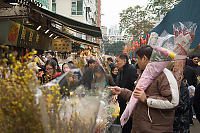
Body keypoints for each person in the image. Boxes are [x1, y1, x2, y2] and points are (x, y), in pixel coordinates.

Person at [110, 45, 179, 133]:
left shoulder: (165, 75)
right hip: (140, 127)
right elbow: (138, 96)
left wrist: (147, 99)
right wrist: (122, 91)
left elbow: (173, 102)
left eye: (138, 59)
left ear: (144, 59)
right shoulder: (144, 75)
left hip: (155, 129)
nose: (137, 62)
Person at [112, 53, 138, 133]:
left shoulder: (131, 69)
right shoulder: (120, 70)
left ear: (124, 61)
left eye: (117, 61)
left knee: (128, 124)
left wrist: (131, 98)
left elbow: (135, 85)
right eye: (115, 61)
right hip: (122, 100)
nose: (116, 64)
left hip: (128, 101)